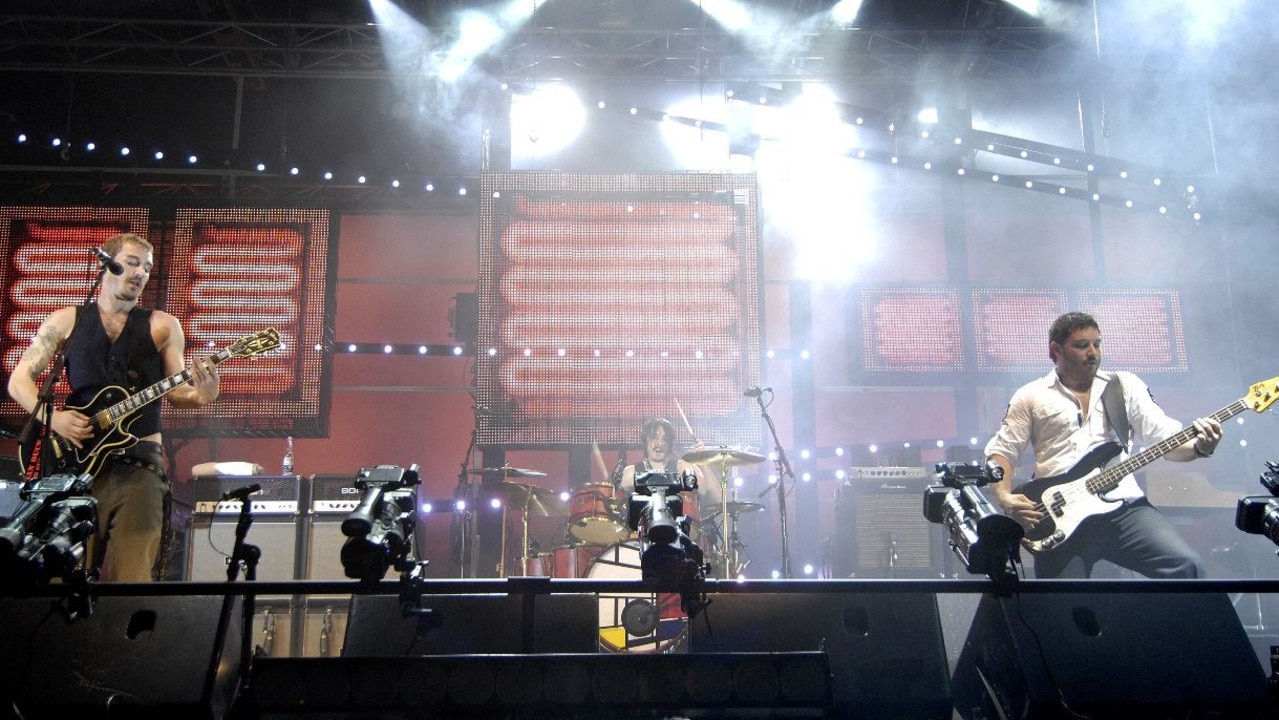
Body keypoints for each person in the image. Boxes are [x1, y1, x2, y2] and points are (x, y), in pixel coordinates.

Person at [8, 232, 220, 581]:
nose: (140, 273)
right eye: (133, 263)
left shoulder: (163, 325)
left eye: (147, 269)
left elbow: (178, 393)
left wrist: (204, 395)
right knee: (61, 575)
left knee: (131, 575)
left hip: (139, 464)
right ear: (106, 263)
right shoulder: (66, 320)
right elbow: (19, 381)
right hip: (75, 465)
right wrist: (54, 419)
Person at [984, 311, 1222, 579]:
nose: (1093, 353)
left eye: (1097, 344)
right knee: (1063, 607)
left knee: (1187, 566)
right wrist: (1003, 497)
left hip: (1123, 509)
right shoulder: (1030, 396)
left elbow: (1165, 440)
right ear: (1055, 350)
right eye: (1082, 345)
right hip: (1057, 515)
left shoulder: (1124, 386)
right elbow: (1002, 452)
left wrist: (1201, 447)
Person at [618, 418, 723, 545]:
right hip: (641, 538)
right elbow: (621, 493)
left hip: (679, 536)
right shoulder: (631, 471)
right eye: (654, 438)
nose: (659, 443)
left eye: (664, 439)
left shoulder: (683, 467)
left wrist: (703, 460)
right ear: (645, 441)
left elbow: (716, 497)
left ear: (670, 444)